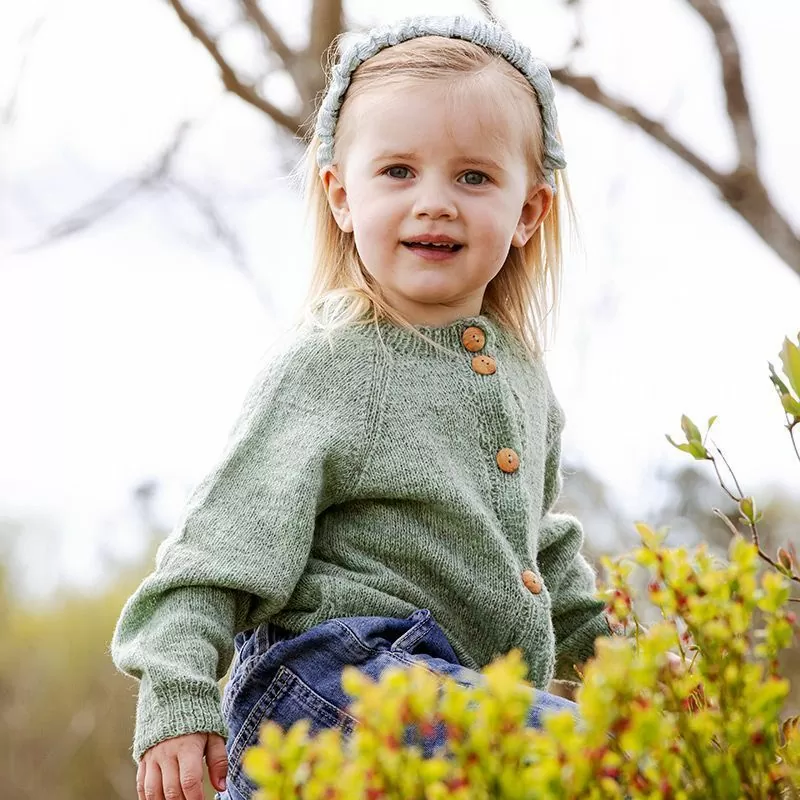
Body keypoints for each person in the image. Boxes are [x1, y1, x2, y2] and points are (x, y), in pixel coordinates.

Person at [111, 14, 618, 800]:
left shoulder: (521, 377)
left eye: (474, 177)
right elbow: (220, 545)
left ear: (529, 212)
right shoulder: (332, 364)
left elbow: (536, 548)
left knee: (615, 754)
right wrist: (177, 694)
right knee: (581, 759)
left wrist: (624, 669)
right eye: (398, 171)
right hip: (329, 684)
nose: (434, 203)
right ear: (342, 196)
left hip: (439, 698)